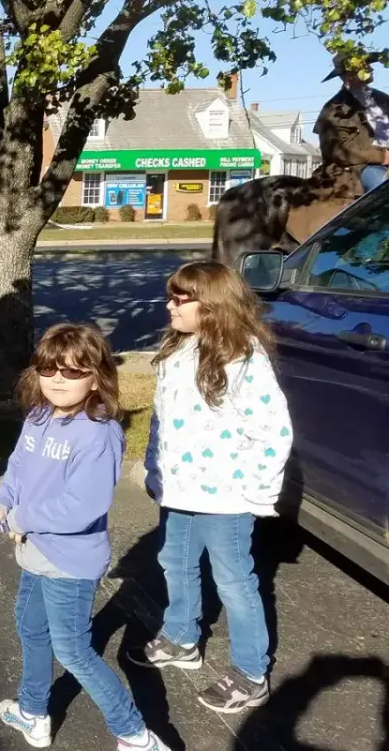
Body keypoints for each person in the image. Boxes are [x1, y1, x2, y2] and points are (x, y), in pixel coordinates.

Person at [0, 323, 171, 751]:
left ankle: (135, 735)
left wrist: (20, 519)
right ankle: (33, 713)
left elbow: (83, 507)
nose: (58, 380)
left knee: (73, 652)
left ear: (96, 376)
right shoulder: (38, 417)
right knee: (30, 628)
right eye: (48, 369)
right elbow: (17, 470)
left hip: (69, 561)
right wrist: (1, 503)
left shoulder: (98, 433)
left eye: (73, 371)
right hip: (34, 552)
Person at [128, 261, 293, 714]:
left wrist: (259, 491)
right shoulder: (177, 351)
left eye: (181, 300)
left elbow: (273, 431)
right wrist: (153, 468)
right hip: (179, 490)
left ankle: (250, 670)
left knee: (234, 580)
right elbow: (161, 419)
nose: (170, 306)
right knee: (174, 561)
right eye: (171, 297)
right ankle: (181, 637)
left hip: (226, 496)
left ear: (214, 306)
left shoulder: (245, 360)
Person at [314, 51, 389, 193]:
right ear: (346, 76)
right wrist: (382, 156)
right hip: (361, 167)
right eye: (363, 66)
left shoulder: (383, 98)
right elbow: (340, 150)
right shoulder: (334, 109)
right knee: (383, 188)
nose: (371, 69)